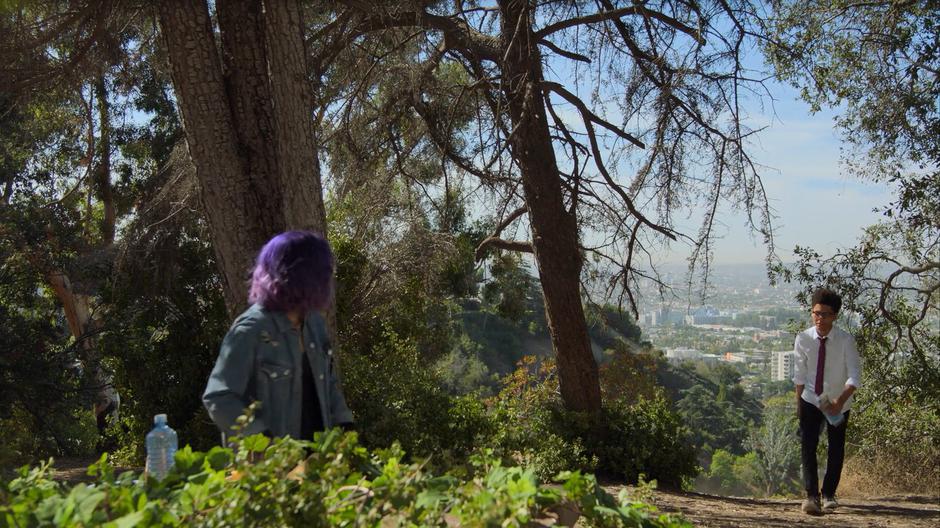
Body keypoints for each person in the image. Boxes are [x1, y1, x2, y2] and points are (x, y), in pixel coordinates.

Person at [203, 231, 354, 442]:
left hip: (317, 463)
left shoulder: (314, 324)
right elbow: (219, 397)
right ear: (300, 274)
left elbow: (327, 384)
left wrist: (344, 424)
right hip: (267, 470)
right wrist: (260, 440)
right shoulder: (251, 329)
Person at [792, 287, 861, 515]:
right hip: (811, 399)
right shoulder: (803, 338)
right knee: (808, 446)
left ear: (835, 316)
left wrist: (840, 402)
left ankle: (829, 494)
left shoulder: (845, 341)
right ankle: (811, 496)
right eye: (816, 313)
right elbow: (800, 374)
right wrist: (799, 404)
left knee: (836, 447)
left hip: (838, 401)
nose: (820, 319)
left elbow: (854, 376)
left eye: (825, 314)